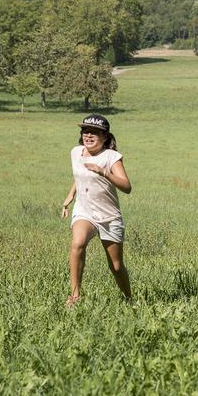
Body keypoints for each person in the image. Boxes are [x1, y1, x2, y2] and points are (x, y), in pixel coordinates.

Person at [61, 114, 133, 306]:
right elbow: (80, 175)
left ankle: (129, 300)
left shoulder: (111, 157)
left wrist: (104, 172)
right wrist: (70, 195)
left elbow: (126, 187)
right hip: (84, 211)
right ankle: (75, 297)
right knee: (78, 243)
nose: (88, 135)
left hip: (109, 216)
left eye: (94, 132)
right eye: (85, 131)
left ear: (104, 136)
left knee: (116, 266)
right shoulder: (76, 152)